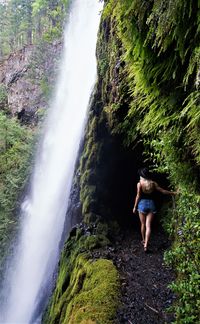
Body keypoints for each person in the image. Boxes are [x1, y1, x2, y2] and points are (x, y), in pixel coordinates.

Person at [133, 168, 177, 252]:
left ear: (142, 175)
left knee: (142, 224)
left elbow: (138, 196)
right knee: (148, 225)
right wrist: (173, 193)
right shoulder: (153, 183)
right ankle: (146, 245)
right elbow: (163, 191)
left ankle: (143, 240)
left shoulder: (139, 184)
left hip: (142, 204)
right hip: (151, 204)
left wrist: (135, 207)